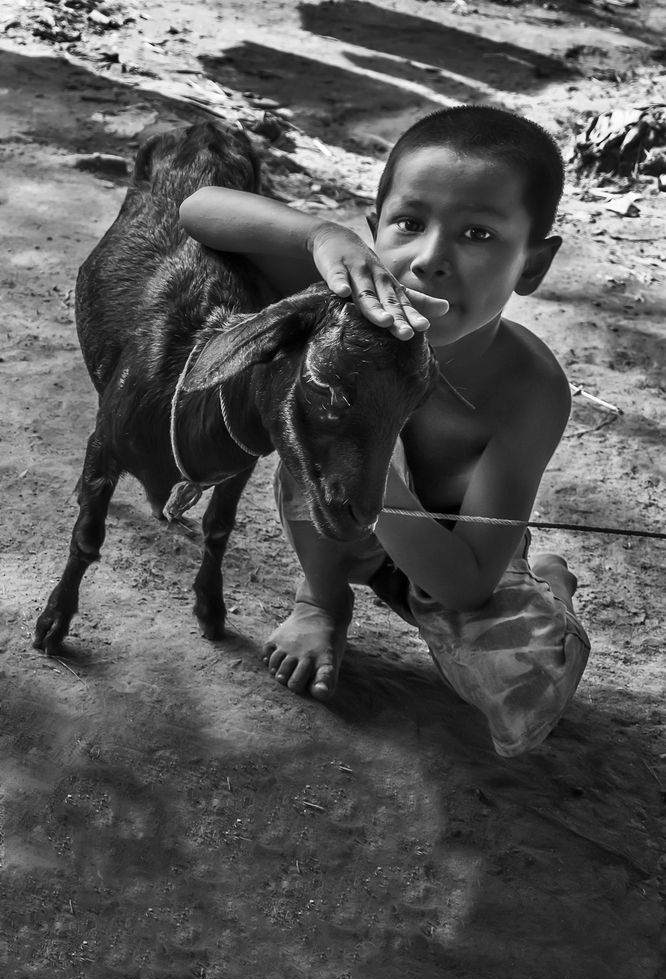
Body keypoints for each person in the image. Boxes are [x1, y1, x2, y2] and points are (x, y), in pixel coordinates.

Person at [179, 104, 590, 757]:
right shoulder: (348, 296)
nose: (430, 259)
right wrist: (320, 238)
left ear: (532, 266)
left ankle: (550, 582)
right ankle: (321, 601)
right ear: (374, 234)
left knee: (532, 674)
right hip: (337, 526)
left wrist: (370, 479)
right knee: (317, 396)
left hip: (445, 553)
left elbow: (468, 582)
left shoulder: (529, 389)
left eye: (478, 235)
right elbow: (198, 209)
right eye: (409, 223)